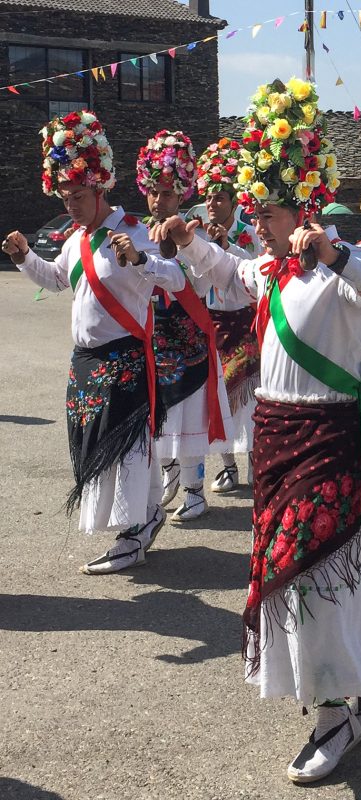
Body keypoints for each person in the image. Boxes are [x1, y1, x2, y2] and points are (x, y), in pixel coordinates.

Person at [150, 76, 361, 783]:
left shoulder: (339, 273)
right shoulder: (270, 269)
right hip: (275, 441)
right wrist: (188, 241)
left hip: (330, 443)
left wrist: (337, 255)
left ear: (300, 209)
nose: (256, 224)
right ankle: (360, 694)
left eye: (265, 212)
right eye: (256, 211)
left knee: (305, 575)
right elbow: (231, 271)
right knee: (293, 572)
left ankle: (336, 713)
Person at [1, 109, 185, 574]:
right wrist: (24, 258)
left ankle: (134, 531)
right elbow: (58, 280)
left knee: (123, 447)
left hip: (124, 356)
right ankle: (144, 519)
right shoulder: (76, 238)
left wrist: (141, 259)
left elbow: (177, 279)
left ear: (100, 188)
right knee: (95, 445)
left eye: (78, 196)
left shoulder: (134, 231)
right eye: (65, 197)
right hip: (85, 361)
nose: (71, 205)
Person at [135, 130, 232, 521]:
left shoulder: (197, 235)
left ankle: (194, 491)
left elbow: (202, 283)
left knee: (189, 416)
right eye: (154, 193)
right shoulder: (133, 231)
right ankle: (168, 471)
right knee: (156, 416)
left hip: (188, 336)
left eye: (168, 194)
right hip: (150, 338)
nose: (160, 201)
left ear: (182, 194)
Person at [194, 138, 264, 494]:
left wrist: (226, 246)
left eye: (219, 198)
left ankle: (255, 461)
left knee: (247, 399)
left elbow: (253, 268)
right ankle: (228, 467)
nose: (212, 204)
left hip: (243, 324)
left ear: (234, 202)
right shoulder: (198, 234)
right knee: (217, 399)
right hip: (213, 324)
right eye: (208, 198)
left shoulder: (250, 233)